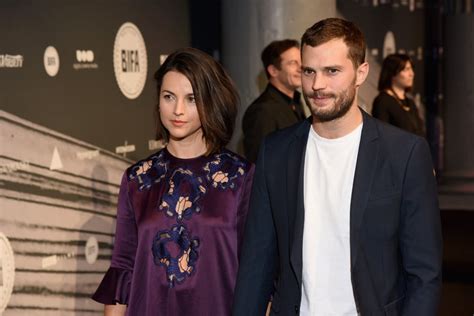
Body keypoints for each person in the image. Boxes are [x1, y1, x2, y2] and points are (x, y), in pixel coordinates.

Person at [233, 18, 442, 315]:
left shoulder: (405, 154)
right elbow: (256, 263)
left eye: (332, 71)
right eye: (308, 71)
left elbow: (424, 274)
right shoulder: (276, 152)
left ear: (361, 73)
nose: (317, 85)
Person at [92, 47, 254, 315]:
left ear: (211, 102)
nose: (178, 110)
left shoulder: (240, 176)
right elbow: (123, 268)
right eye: (169, 97)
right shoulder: (138, 178)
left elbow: (257, 270)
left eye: (191, 99)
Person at [242, 39, 306, 162]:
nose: (301, 68)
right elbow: (260, 162)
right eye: (293, 63)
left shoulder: (296, 102)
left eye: (301, 62)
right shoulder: (262, 110)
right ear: (273, 71)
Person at [372, 53, 424, 136]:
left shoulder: (410, 103)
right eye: (406, 69)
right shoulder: (383, 101)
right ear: (393, 72)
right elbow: (382, 137)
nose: (411, 74)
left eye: (411, 69)